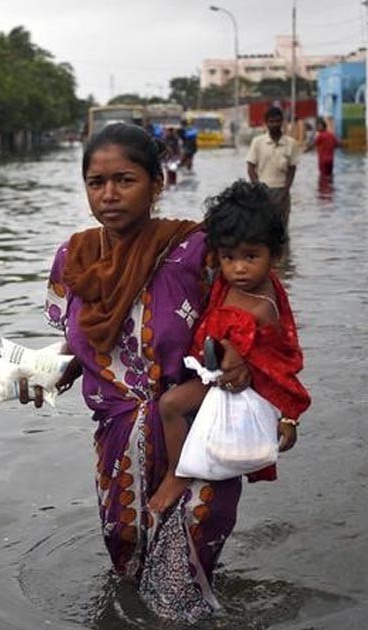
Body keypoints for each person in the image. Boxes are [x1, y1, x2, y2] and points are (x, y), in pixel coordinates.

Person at [19, 123, 253, 622]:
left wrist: (242, 360)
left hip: (193, 443)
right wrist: (46, 373)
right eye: (95, 182)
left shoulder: (197, 252)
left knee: (177, 596)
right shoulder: (73, 260)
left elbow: (258, 320)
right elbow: (85, 349)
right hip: (116, 450)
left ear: (156, 183)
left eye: (124, 180)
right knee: (129, 577)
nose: (108, 195)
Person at [149, 180, 311, 514]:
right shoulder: (225, 280)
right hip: (211, 373)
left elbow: (278, 365)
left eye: (251, 257)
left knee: (170, 405)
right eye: (229, 257)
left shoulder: (261, 308)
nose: (239, 268)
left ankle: (177, 473)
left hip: (231, 386)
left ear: (275, 255)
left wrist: (290, 417)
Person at [246, 106, 299, 227]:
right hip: (262, 191)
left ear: (282, 122)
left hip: (282, 191)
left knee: (282, 230)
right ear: (266, 123)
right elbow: (250, 168)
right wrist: (259, 189)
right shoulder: (257, 142)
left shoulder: (291, 143)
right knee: (262, 228)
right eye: (271, 122)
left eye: (277, 121)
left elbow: (292, 169)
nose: (274, 124)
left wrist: (285, 192)